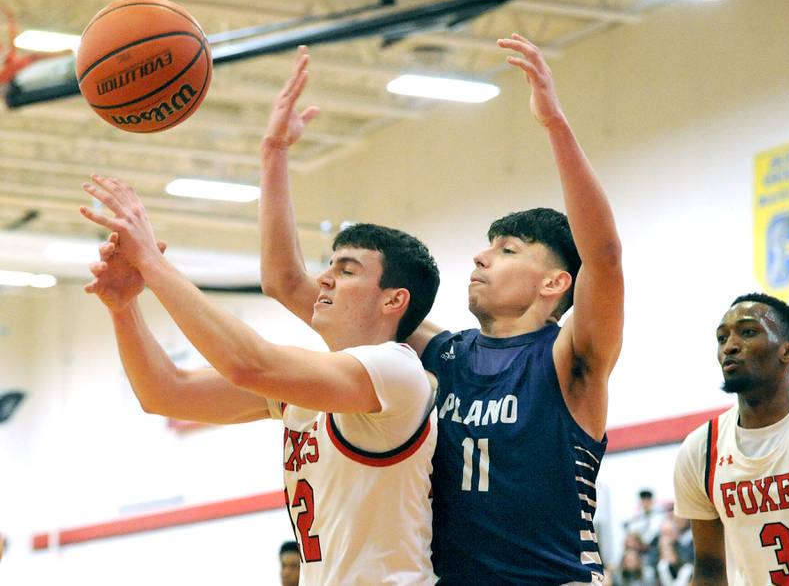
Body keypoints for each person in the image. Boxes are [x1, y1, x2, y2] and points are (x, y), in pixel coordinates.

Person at [259, 38, 623, 585]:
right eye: (487, 244)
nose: (481, 255)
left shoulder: (571, 358)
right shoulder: (440, 354)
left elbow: (605, 256)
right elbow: (287, 283)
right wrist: (274, 156)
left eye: (508, 250)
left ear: (555, 282)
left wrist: (555, 126)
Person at [78, 84, 441, 584]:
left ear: (394, 300)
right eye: (329, 265)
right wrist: (124, 306)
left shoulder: (397, 371)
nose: (327, 278)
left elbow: (249, 362)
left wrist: (153, 262)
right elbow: (166, 392)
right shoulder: (309, 389)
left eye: (349, 270)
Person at [673, 292, 789, 585]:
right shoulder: (701, 449)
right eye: (721, 338)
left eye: (748, 332)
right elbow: (709, 569)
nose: (729, 346)